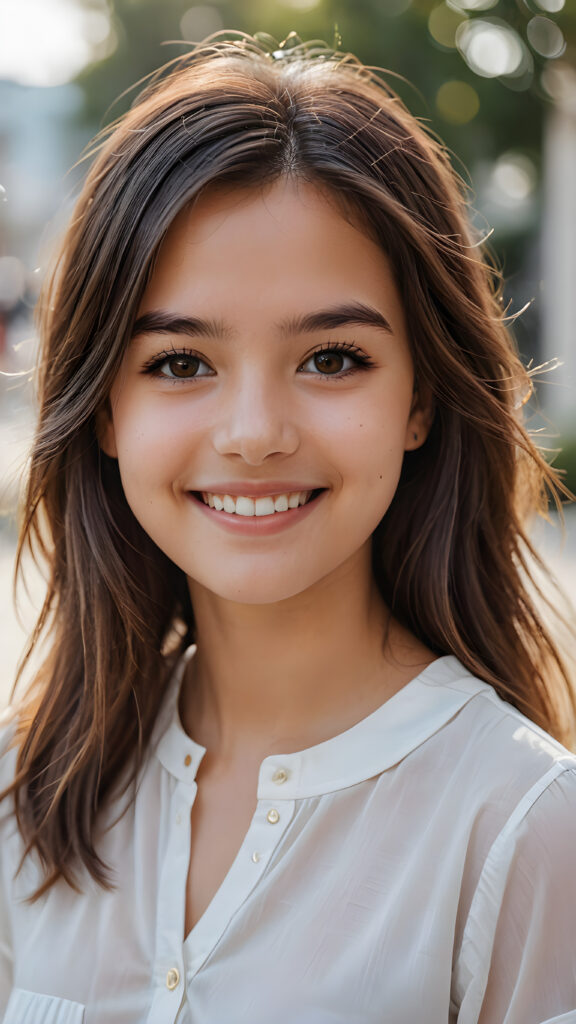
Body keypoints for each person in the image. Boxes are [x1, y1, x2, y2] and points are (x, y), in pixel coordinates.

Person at [0, 31, 575, 1024]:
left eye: (333, 358)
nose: (256, 432)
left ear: (420, 400)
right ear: (103, 410)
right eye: (181, 362)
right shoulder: (22, 796)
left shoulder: (525, 830)